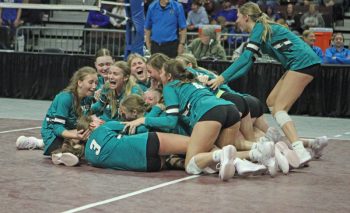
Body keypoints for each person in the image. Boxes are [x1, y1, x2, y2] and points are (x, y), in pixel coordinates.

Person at [208, 2, 328, 167]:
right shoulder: (259, 31)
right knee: (271, 101)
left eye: (237, 17)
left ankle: (300, 150)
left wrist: (220, 78)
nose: (236, 21)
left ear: (246, 17)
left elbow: (243, 58)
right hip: (300, 64)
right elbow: (247, 64)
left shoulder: (258, 28)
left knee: (279, 108)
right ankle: (301, 143)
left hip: (303, 63)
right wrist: (224, 80)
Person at [39, 66, 97, 166]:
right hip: (53, 135)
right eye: (91, 82)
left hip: (71, 134)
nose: (94, 86)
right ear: (79, 83)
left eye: (96, 83)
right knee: (82, 148)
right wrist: (76, 136)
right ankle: (58, 153)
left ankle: (60, 152)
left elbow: (84, 122)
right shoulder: (65, 98)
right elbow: (57, 128)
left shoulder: (87, 99)